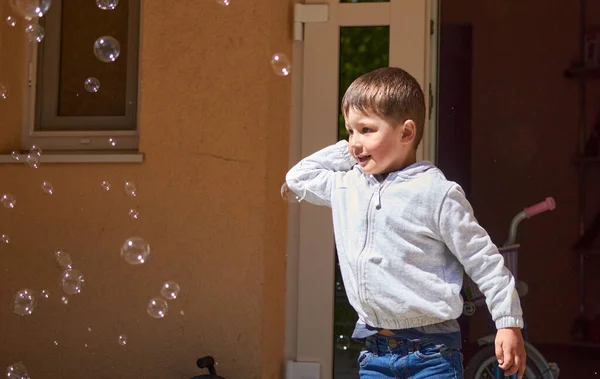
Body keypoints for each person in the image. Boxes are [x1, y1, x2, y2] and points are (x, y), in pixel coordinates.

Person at [285, 67, 526, 379]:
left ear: (407, 133)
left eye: (367, 130)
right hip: (373, 352)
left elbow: (484, 260)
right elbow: (297, 178)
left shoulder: (436, 193)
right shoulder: (347, 186)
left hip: (432, 352)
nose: (354, 142)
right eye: (350, 130)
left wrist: (507, 322)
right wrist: (353, 147)